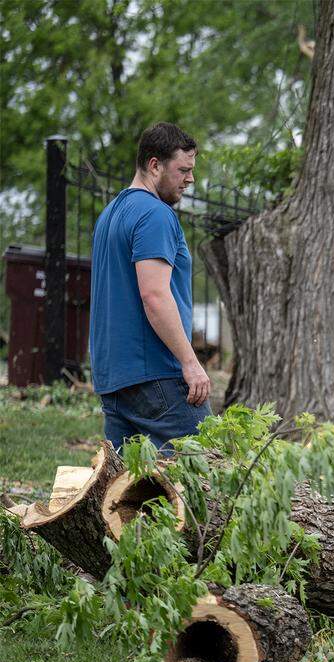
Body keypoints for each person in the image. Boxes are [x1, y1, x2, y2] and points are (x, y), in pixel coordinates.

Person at [89, 122, 211, 451]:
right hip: (158, 375)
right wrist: (190, 362)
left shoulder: (110, 215)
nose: (190, 179)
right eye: (183, 170)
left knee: (131, 494)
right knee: (203, 478)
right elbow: (154, 296)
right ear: (154, 165)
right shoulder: (154, 214)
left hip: (114, 380)